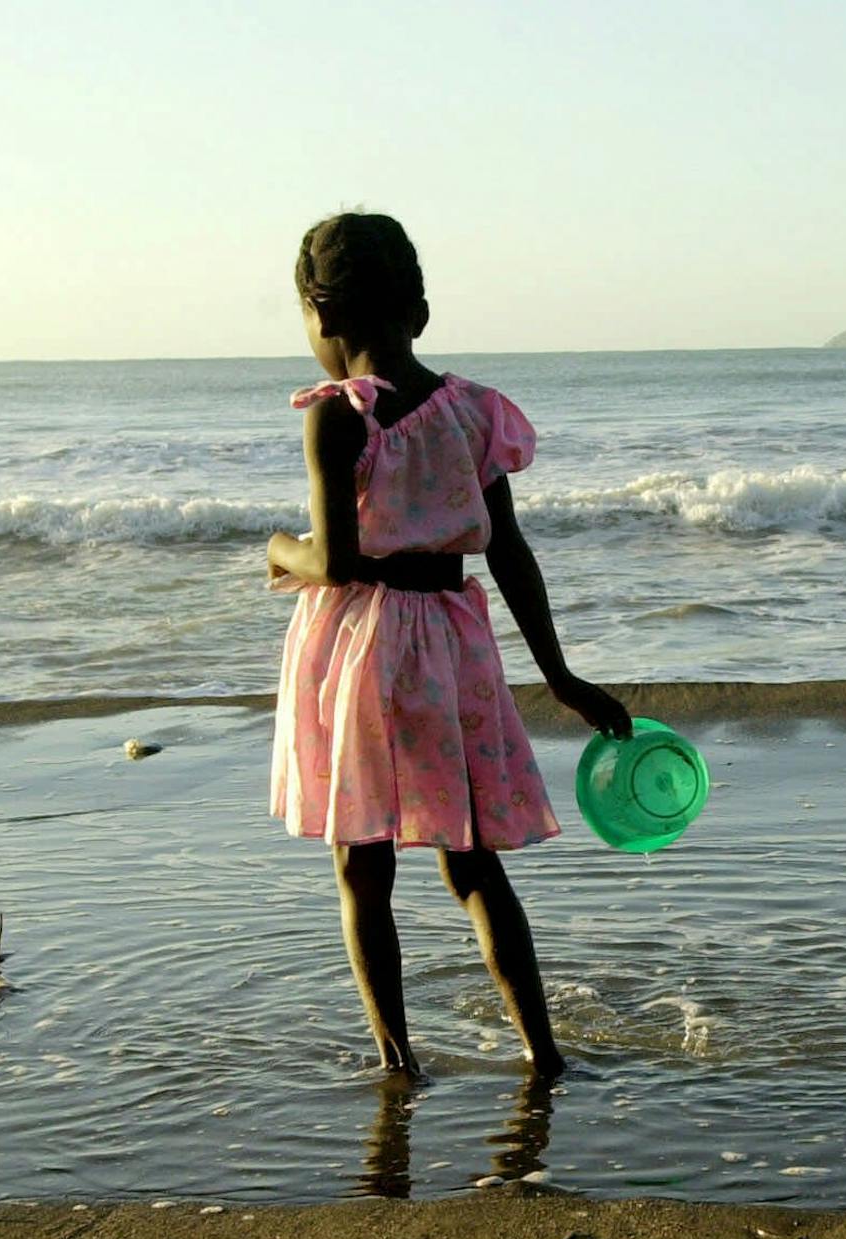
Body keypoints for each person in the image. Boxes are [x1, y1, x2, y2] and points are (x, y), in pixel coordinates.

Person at [266, 211, 628, 1079]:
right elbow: (507, 550)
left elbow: (337, 560)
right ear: (419, 312)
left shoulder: (337, 418)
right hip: (453, 645)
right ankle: (543, 1053)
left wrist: (277, 550)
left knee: (363, 867)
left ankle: (398, 1060)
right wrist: (562, 676)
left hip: (364, 648)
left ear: (321, 320)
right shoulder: (472, 413)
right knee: (472, 864)